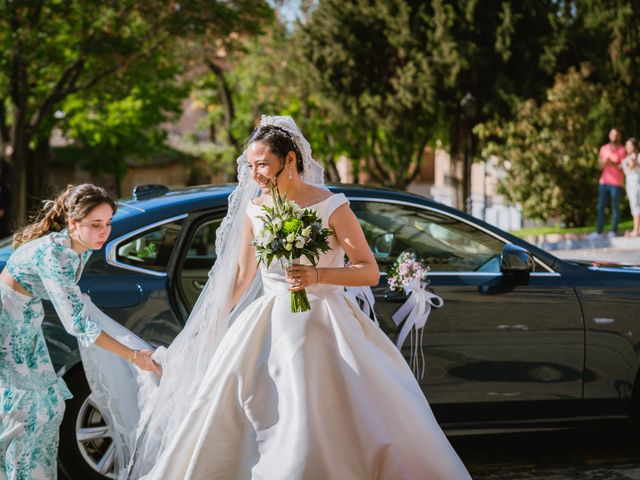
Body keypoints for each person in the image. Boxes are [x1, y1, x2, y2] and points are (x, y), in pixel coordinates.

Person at [86, 116, 471, 479]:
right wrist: (213, 321)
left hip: (327, 322)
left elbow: (367, 270)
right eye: (250, 166)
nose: (255, 175)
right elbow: (241, 274)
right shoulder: (255, 209)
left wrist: (317, 274)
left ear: (290, 159)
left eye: (263, 165)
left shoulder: (332, 206)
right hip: (268, 324)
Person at [0, 184, 160, 480]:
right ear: (73, 224)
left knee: (51, 405)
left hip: (25, 317)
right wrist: (133, 356)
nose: (105, 231)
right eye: (96, 224)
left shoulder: (79, 250)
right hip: (7, 324)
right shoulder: (56, 255)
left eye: (109, 223)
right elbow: (77, 324)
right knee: (27, 411)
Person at [592, 128, 626, 238]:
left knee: (615, 207)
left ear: (619, 137)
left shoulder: (622, 150)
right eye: (613, 135)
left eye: (616, 135)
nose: (614, 137)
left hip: (616, 183)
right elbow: (600, 166)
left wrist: (612, 163)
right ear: (609, 136)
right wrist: (604, 162)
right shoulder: (604, 149)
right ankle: (599, 231)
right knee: (600, 207)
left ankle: (613, 231)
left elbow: (624, 167)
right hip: (604, 182)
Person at [621, 138, 640, 237]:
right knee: (635, 206)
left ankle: (636, 230)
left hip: (638, 184)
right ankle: (637, 229)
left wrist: (635, 162)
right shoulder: (625, 160)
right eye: (626, 145)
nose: (628, 148)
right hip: (631, 186)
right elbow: (627, 170)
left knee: (637, 206)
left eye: (630, 145)